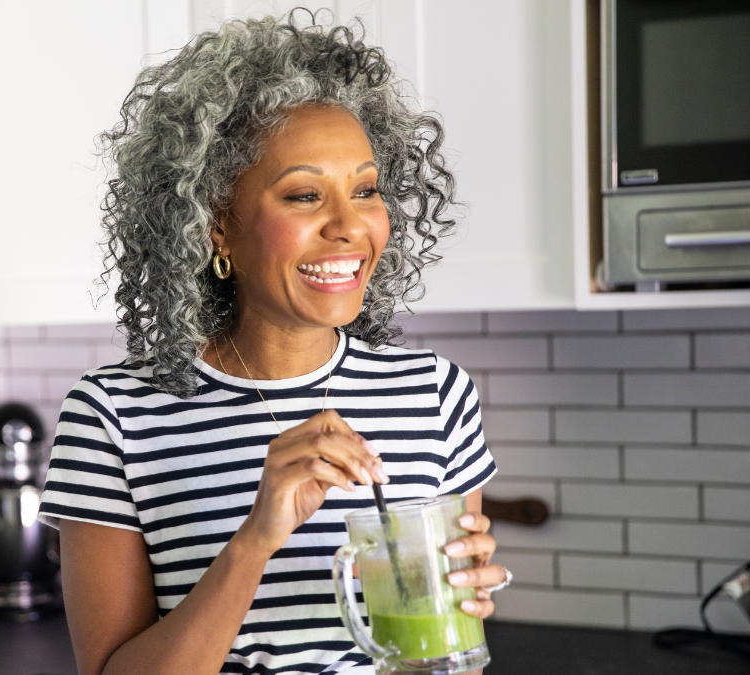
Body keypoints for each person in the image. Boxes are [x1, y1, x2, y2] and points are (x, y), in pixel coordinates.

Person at [38, 13, 508, 675]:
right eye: (305, 195)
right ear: (216, 225)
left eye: (366, 190)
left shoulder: (434, 394)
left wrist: (465, 595)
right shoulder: (114, 416)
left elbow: (451, 656)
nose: (349, 226)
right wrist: (257, 537)